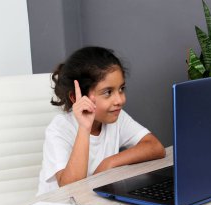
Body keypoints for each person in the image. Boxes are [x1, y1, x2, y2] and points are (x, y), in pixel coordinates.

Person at [37, 46, 166, 195]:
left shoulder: (116, 117)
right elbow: (70, 188)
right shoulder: (59, 129)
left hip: (93, 203)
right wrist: (84, 128)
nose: (120, 99)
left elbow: (155, 147)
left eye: (121, 89)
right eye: (107, 92)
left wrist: (109, 163)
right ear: (75, 98)